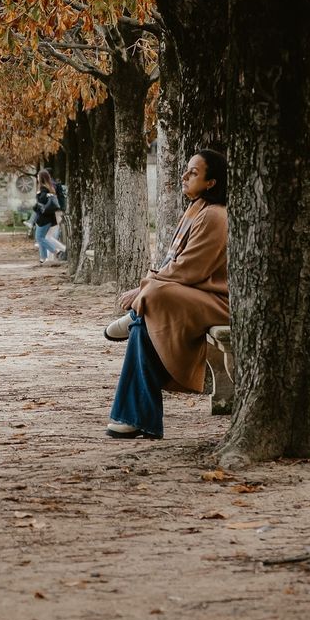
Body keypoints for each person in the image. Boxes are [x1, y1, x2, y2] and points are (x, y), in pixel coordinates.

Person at [103, 149, 228, 440]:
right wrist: (151, 285)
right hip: (197, 295)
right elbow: (174, 266)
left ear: (211, 182)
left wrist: (146, 288)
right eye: (187, 170)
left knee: (155, 296)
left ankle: (136, 312)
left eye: (194, 172)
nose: (185, 176)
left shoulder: (214, 216)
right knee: (147, 318)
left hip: (218, 302)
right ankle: (134, 418)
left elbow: (190, 269)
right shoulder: (196, 210)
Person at [31, 168, 66, 264]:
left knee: (40, 238)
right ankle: (43, 258)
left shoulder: (43, 190)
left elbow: (41, 203)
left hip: (44, 218)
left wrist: (36, 205)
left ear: (41, 178)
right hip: (48, 217)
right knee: (44, 237)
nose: (37, 177)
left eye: (38, 176)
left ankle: (56, 250)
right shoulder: (50, 188)